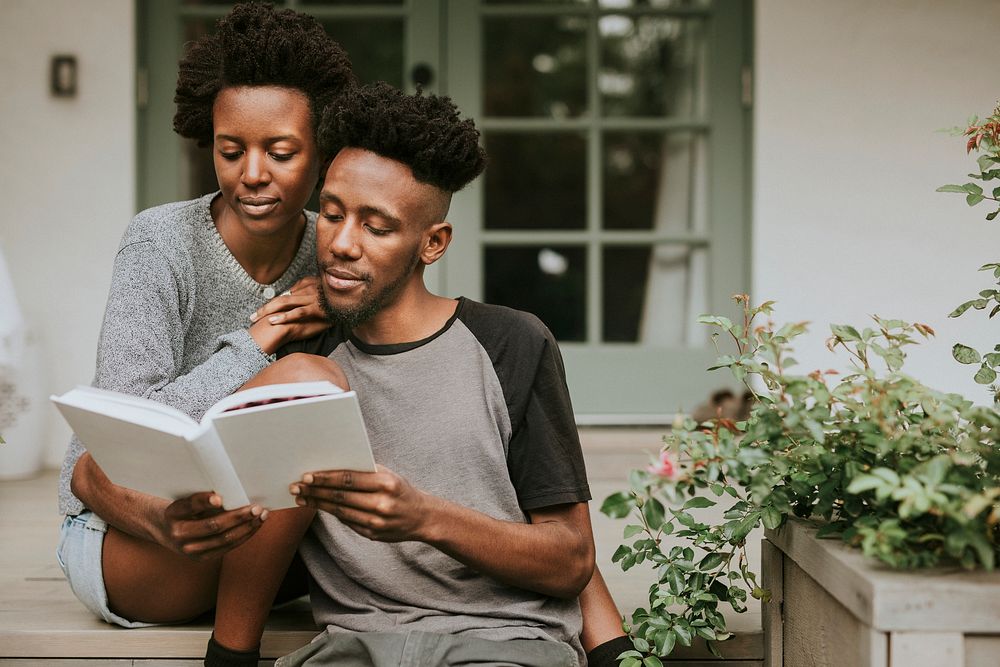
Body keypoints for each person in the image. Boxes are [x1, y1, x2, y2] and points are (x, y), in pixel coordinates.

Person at [255, 82, 633, 667]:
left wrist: (424, 517)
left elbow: (570, 561)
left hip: (505, 646)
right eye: (331, 215)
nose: (343, 244)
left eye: (377, 227)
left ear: (432, 243)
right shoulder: (303, 361)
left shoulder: (511, 344)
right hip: (353, 650)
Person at [56, 5, 354, 666]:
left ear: (321, 151)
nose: (252, 172)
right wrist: (257, 342)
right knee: (305, 381)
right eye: (230, 150)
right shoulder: (160, 242)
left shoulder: (336, 251)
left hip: (269, 536)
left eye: (279, 151)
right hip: (137, 537)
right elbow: (98, 448)